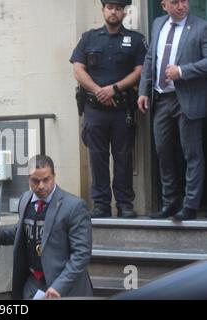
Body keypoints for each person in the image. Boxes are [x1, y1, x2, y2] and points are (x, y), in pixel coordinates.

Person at [70, 0, 148, 219]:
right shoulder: (88, 38)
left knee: (124, 157)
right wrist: (98, 90)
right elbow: (78, 69)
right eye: (110, 7)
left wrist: (114, 89)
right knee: (97, 157)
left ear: (124, 11)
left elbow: (140, 70)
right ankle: (102, 205)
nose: (114, 12)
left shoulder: (136, 40)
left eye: (119, 8)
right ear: (103, 10)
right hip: (95, 109)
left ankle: (124, 204)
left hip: (122, 109)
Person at [138, 0, 207, 221]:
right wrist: (143, 91)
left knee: (192, 154)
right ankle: (170, 202)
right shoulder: (158, 23)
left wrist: (182, 71)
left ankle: (190, 206)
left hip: (186, 98)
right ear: (164, 5)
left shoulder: (201, 27)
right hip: (161, 99)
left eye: (184, 1)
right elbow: (151, 59)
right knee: (163, 152)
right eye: (175, 2)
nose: (181, 6)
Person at [0, 155, 93, 299]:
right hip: (31, 284)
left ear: (54, 176)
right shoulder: (25, 199)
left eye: (46, 179)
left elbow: (81, 254)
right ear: (28, 179)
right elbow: (20, 232)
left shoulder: (74, 206)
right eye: (35, 181)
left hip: (64, 288)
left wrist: (59, 286)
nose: (41, 185)